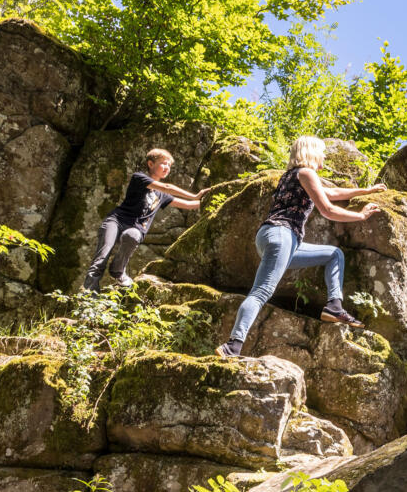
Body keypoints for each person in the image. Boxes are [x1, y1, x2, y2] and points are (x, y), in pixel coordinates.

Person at [218, 136, 382, 357]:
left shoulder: (292, 176)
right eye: (322, 152)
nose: (324, 156)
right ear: (312, 152)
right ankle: (233, 346)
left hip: (276, 239)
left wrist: (365, 191)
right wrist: (360, 216)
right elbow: (327, 209)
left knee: (334, 254)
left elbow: (331, 193)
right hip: (282, 235)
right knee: (261, 292)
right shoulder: (306, 173)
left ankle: (334, 306)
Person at [84, 148, 202, 291]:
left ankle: (117, 270)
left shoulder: (162, 195)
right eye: (164, 163)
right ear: (151, 164)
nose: (167, 168)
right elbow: (167, 187)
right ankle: (89, 292)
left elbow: (189, 205)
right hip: (116, 221)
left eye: (169, 166)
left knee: (132, 236)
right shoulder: (139, 178)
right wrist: (195, 195)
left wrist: (211, 201)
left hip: (135, 228)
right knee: (102, 256)